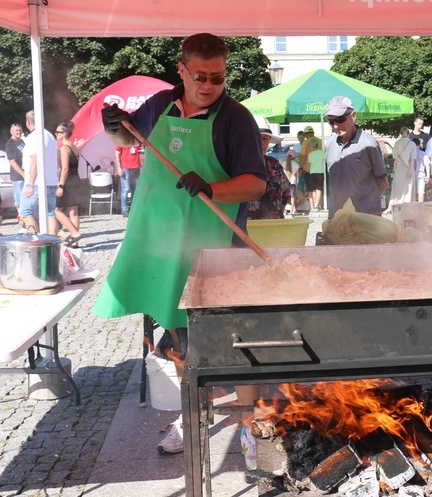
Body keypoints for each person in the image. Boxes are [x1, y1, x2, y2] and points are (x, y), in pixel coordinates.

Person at [92, 33, 267, 463]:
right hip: (160, 248)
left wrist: (212, 187)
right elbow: (123, 140)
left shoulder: (235, 119)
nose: (209, 85)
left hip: (214, 252)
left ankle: (249, 424)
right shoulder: (161, 106)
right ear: (183, 70)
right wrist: (112, 125)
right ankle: (194, 417)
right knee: (177, 340)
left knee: (235, 344)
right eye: (200, 76)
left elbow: (255, 182)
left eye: (218, 77)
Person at [324, 95, 388, 218]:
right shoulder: (331, 143)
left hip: (366, 216)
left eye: (340, 119)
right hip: (337, 216)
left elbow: (383, 182)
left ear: (353, 116)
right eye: (331, 121)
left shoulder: (368, 144)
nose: (335, 125)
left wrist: (367, 205)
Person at [20, 110, 58, 234]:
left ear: (28, 121)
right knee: (49, 212)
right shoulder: (50, 135)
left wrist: (30, 184)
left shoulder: (35, 137)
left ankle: (36, 241)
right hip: (51, 180)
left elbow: (35, 161)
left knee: (26, 211)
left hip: (36, 182)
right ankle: (52, 242)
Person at [247, 116, 291, 220]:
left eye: (264, 138)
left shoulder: (274, 164)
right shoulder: (237, 164)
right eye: (257, 137)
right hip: (246, 227)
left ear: (269, 140)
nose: (261, 143)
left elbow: (286, 192)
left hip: (273, 226)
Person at [54, 122, 84, 246]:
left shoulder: (64, 148)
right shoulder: (73, 146)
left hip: (68, 181)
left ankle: (72, 234)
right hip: (76, 179)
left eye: (58, 132)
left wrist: (60, 185)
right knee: (73, 212)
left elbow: (64, 169)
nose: (55, 134)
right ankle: (75, 242)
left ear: (64, 134)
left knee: (56, 210)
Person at [386, 126, 417, 213]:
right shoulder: (412, 144)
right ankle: (408, 207)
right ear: (408, 133)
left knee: (398, 188)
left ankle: (397, 206)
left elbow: (395, 156)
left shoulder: (397, 143)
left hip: (399, 168)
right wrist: (410, 170)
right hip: (409, 168)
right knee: (408, 188)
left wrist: (402, 162)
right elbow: (413, 159)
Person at [114, 142, 144, 217]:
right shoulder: (121, 139)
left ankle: (134, 208)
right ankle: (124, 210)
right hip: (125, 167)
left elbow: (139, 150)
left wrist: (142, 151)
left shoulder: (137, 140)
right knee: (126, 189)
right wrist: (119, 167)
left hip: (136, 167)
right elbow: (117, 152)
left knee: (135, 189)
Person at [5, 122, 25, 223]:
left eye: (20, 130)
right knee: (20, 198)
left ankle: (26, 218)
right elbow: (12, 162)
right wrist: (23, 174)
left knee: (27, 197)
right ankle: (22, 219)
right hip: (18, 176)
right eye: (16, 130)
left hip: (27, 175)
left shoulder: (22, 141)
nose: (18, 132)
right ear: (11, 131)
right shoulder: (10, 144)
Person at [300, 125, 322, 210]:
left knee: (310, 189)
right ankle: (317, 205)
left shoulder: (306, 142)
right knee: (318, 188)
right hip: (319, 169)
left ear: (306, 134)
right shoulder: (320, 141)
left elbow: (302, 156)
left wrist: (301, 167)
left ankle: (312, 207)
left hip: (309, 169)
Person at [307, 136, 326, 212]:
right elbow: (326, 159)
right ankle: (316, 205)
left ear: (311, 146)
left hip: (312, 172)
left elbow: (310, 162)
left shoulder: (310, 154)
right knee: (319, 189)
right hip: (320, 171)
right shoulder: (321, 152)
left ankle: (315, 204)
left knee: (314, 189)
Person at [414, 137, 431, 203]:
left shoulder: (410, 153)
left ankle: (413, 206)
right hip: (421, 173)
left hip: (412, 173)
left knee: (413, 191)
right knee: (421, 191)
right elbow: (427, 165)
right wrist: (428, 176)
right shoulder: (423, 153)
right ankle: (421, 206)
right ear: (419, 145)